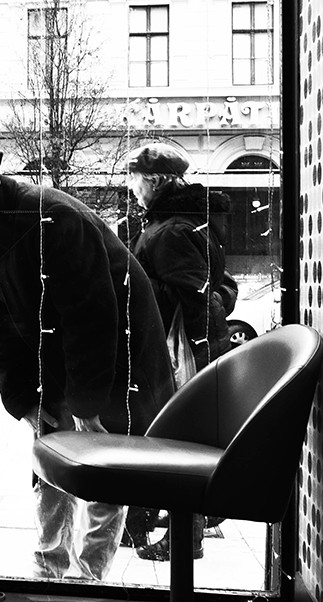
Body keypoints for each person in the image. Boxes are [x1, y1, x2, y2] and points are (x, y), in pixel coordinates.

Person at [0, 139, 175, 580]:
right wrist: (24, 399)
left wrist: (87, 403)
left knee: (104, 463)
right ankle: (49, 569)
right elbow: (2, 324)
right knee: (51, 452)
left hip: (119, 355)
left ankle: (87, 578)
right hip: (65, 357)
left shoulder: (52, 217)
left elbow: (91, 315)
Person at [125, 142, 236, 561]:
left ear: (154, 181)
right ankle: (155, 522)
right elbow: (220, 287)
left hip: (179, 354)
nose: (131, 187)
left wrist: (135, 286)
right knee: (174, 438)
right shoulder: (188, 223)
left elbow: (193, 297)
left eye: (135, 178)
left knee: (175, 442)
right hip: (190, 349)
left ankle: (186, 539)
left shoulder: (171, 231)